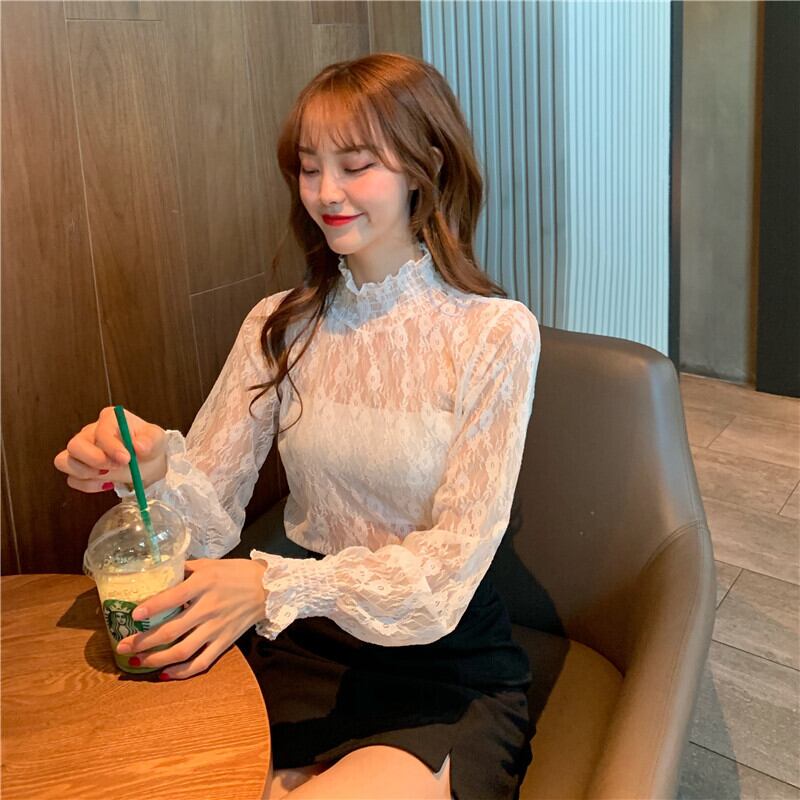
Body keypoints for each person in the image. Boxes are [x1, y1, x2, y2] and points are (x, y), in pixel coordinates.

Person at [54, 52, 541, 800]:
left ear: (426, 165)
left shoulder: (495, 334)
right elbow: (209, 522)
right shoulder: (279, 326)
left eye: (356, 165)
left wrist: (271, 585)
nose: (326, 192)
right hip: (301, 641)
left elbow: (446, 573)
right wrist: (153, 472)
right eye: (310, 167)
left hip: (438, 660)